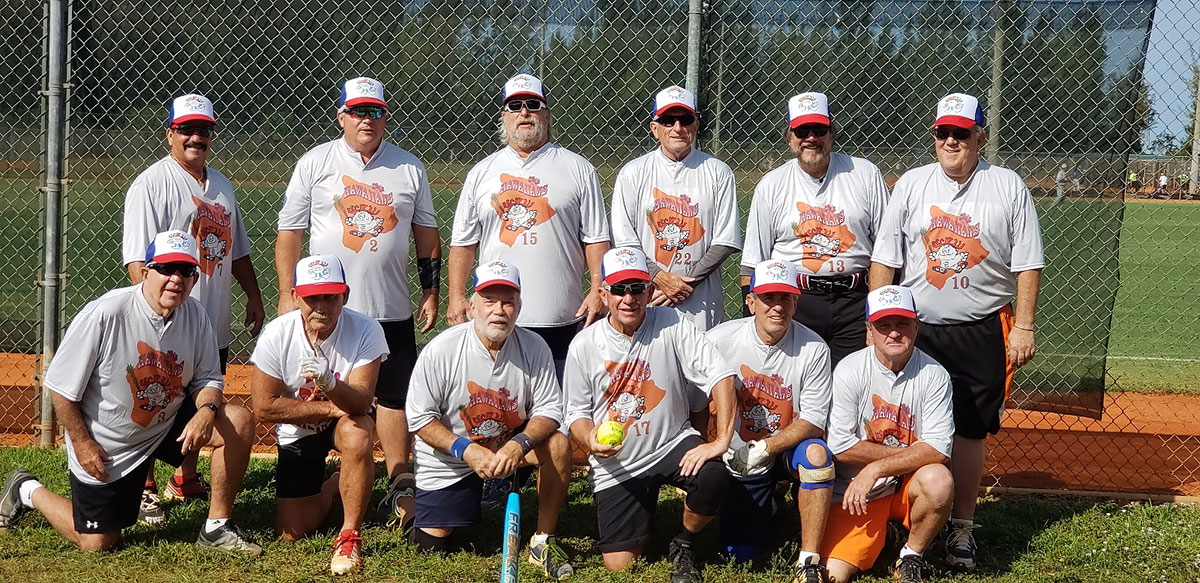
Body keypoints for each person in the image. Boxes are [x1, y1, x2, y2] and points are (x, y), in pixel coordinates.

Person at [0, 231, 260, 555]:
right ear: (146, 272)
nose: (176, 279)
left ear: (194, 278)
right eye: (166, 268)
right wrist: (82, 443)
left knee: (238, 421)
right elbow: (61, 389)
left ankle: (216, 527)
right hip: (110, 444)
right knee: (98, 543)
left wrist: (206, 412)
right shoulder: (106, 314)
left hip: (164, 425)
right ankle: (26, 489)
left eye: (185, 270)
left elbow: (208, 378)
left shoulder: (195, 315)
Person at [870, 93, 1044, 572]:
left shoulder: (1006, 186)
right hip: (916, 330)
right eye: (942, 132)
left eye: (961, 133)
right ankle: (900, 519)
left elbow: (1028, 263)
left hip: (982, 328)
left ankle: (961, 527)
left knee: (969, 430)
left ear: (979, 138)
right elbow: (885, 259)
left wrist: (1024, 325)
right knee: (903, 424)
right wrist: (875, 325)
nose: (950, 141)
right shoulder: (912, 184)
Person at [275, 76, 442, 528]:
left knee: (393, 396)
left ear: (385, 117)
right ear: (341, 117)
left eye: (375, 111)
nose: (366, 120)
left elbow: (426, 233)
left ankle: (399, 479)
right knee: (323, 390)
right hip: (326, 311)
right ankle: (325, 470)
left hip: (390, 306)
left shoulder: (409, 167)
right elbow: (289, 232)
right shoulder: (316, 162)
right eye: (357, 111)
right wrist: (287, 294)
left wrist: (431, 290)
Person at [121, 93, 265, 523]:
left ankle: (184, 477)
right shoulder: (151, 184)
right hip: (168, 321)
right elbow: (137, 261)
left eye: (203, 130)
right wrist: (156, 317)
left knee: (203, 393)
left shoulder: (222, 185)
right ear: (170, 133)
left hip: (212, 317)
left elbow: (237, 249)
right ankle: (144, 486)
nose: (195, 137)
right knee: (157, 400)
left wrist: (253, 294)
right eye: (186, 129)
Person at [564, 247, 736, 583]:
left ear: (650, 290)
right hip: (618, 462)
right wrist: (591, 441)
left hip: (672, 442)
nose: (629, 298)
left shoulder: (673, 323)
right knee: (620, 564)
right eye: (619, 289)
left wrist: (721, 441)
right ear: (603, 294)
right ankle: (643, 516)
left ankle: (684, 542)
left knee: (713, 476)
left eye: (637, 288)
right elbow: (576, 413)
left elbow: (721, 375)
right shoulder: (584, 344)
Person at [406, 260, 575, 580]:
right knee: (432, 547)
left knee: (557, 444)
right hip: (451, 458)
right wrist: (466, 450)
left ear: (518, 308)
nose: (499, 310)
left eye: (508, 302)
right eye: (489, 301)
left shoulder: (534, 347)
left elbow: (551, 409)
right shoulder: (442, 350)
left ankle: (543, 541)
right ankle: (405, 505)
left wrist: (518, 445)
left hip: (509, 451)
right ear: (472, 307)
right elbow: (419, 418)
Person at [447, 73, 610, 379]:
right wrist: (456, 294)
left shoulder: (578, 168)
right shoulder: (482, 172)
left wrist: (596, 291)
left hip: (562, 317)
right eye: (515, 106)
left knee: (559, 401)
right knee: (500, 398)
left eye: (533, 105)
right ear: (504, 116)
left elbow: (596, 239)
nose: (524, 112)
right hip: (497, 316)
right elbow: (464, 243)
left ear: (546, 114)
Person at [250, 255, 387, 574]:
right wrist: (329, 406)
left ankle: (349, 535)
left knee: (359, 432)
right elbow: (264, 406)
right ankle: (338, 482)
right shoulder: (277, 333)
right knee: (293, 532)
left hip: (344, 422)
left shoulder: (366, 329)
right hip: (298, 429)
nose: (321, 306)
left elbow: (361, 402)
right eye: (312, 297)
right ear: (296, 296)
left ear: (345, 296)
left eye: (330, 296)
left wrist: (329, 382)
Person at [706, 259, 834, 583]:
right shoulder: (720, 339)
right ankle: (773, 504)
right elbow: (694, 397)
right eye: (768, 298)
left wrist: (765, 447)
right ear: (751, 302)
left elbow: (814, 420)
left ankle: (809, 560)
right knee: (740, 554)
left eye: (785, 298)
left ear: (796, 303)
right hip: (739, 456)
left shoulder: (814, 348)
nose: (777, 307)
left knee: (817, 455)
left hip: (788, 448)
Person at [742, 92, 890, 366]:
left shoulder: (864, 174)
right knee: (793, 382)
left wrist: (879, 312)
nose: (811, 137)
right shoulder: (772, 184)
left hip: (854, 300)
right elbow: (753, 263)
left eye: (819, 130)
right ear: (789, 137)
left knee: (853, 381)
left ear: (832, 134)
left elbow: (887, 250)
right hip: (794, 301)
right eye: (802, 131)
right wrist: (750, 319)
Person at [819, 285, 954, 583]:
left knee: (938, 480)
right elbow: (840, 446)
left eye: (902, 323)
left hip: (904, 486)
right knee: (833, 575)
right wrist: (910, 454)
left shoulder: (935, 375)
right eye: (884, 325)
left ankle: (911, 555)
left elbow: (938, 451)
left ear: (916, 327)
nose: (894, 333)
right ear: (869, 331)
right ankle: (891, 534)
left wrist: (876, 467)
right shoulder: (850, 370)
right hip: (858, 492)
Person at [610, 85, 741, 331]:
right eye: (668, 120)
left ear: (696, 125)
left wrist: (683, 286)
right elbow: (625, 240)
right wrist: (660, 278)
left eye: (685, 120)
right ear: (654, 128)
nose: (677, 128)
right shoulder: (633, 173)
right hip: (649, 297)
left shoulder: (718, 171)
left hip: (701, 303)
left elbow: (724, 241)